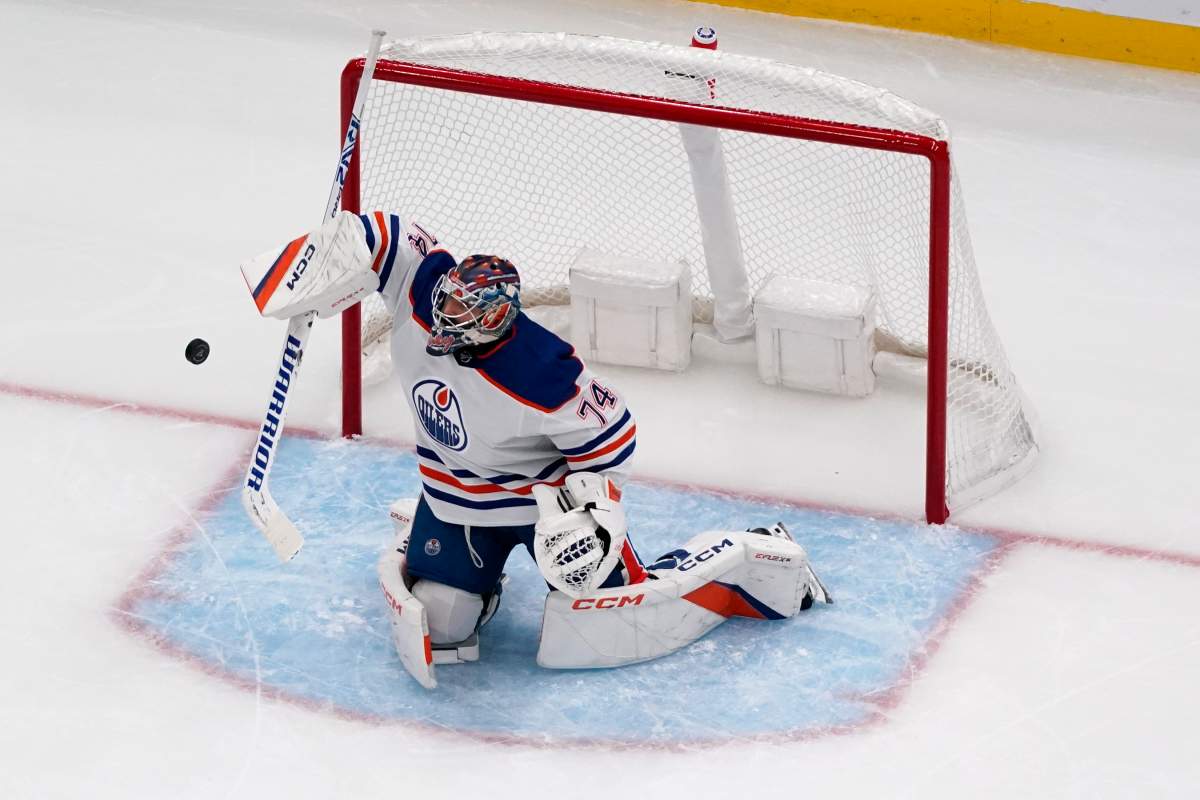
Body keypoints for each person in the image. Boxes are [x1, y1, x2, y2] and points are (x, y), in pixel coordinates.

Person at [241, 210, 830, 689]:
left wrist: (587, 513)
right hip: (452, 499)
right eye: (446, 305)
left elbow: (615, 436)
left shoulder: (539, 371)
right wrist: (307, 269)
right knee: (443, 626)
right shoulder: (423, 296)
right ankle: (477, 577)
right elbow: (383, 236)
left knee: (608, 620)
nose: (443, 321)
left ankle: (739, 556)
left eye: (463, 315)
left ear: (498, 317)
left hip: (537, 506)